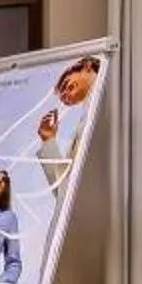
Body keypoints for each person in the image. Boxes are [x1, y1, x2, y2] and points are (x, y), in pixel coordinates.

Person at [33, 55, 104, 193]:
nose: (65, 94)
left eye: (65, 84)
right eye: (62, 96)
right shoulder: (84, 122)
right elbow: (63, 190)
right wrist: (48, 140)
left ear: (87, 66)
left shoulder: (114, 94)